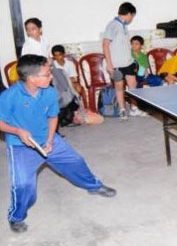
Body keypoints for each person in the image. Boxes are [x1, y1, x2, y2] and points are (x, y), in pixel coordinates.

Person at [0, 55, 116, 233]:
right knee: (22, 185)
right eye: (47, 74)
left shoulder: (49, 91)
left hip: (48, 138)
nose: (51, 77)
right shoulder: (9, 96)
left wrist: (49, 139)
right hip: (21, 145)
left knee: (76, 162)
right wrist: (17, 131)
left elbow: (53, 116)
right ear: (31, 78)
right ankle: (16, 217)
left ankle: (94, 186)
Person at [102, 2, 144, 120]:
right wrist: (109, 65)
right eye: (132, 16)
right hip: (117, 64)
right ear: (129, 13)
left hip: (128, 63)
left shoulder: (124, 26)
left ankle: (134, 109)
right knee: (119, 87)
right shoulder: (113, 25)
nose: (131, 19)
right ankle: (122, 110)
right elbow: (105, 45)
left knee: (133, 86)